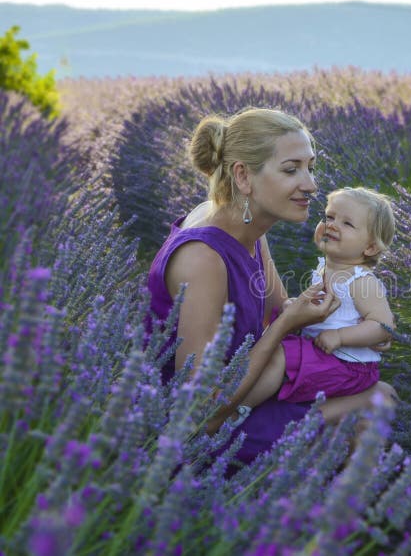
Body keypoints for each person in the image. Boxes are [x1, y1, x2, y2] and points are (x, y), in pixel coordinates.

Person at [145, 107, 397, 463]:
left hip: (242, 388)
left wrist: (353, 326)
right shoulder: (203, 257)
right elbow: (197, 410)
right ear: (243, 177)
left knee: (375, 392)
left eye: (311, 167)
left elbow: (280, 308)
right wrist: (286, 325)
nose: (310, 185)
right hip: (188, 429)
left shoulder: (245, 228)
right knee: (377, 402)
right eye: (291, 170)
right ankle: (332, 515)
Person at [236, 187, 396, 419]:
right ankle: (244, 400)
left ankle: (235, 409)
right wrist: (297, 306)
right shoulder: (326, 267)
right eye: (329, 217)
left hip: (349, 367)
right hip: (325, 355)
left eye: (347, 224)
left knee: (280, 355)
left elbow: (383, 325)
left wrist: (340, 336)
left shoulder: (361, 280)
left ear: (369, 247)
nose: (331, 225)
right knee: (271, 347)